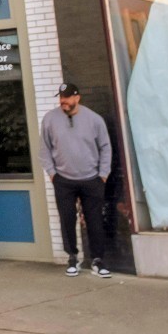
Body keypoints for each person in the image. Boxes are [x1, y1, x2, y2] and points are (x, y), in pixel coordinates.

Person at [41, 82, 113, 278]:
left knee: (95, 220)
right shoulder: (49, 119)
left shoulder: (94, 119)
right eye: (60, 97)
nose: (62, 101)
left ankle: (98, 260)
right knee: (67, 219)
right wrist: (52, 174)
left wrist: (103, 174)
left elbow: (105, 147)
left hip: (92, 179)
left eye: (66, 97)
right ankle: (72, 257)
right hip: (63, 179)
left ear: (77, 97)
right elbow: (45, 149)